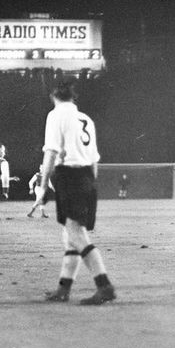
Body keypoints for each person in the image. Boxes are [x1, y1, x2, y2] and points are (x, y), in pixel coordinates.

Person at [34, 78, 116, 305]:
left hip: (69, 177)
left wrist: (42, 188)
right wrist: (91, 185)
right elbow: (94, 160)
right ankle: (63, 289)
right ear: (73, 96)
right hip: (87, 177)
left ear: (53, 96)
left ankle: (104, 285)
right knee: (70, 236)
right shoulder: (85, 118)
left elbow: (50, 152)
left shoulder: (56, 115)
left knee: (75, 234)